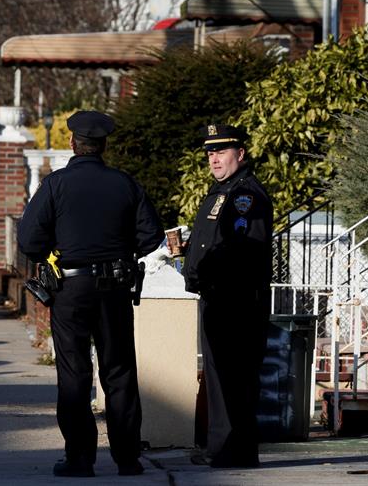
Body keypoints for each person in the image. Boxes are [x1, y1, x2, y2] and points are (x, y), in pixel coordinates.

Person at [17, 110, 163, 478]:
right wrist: (119, 251)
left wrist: (58, 248)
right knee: (119, 371)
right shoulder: (124, 184)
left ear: (72, 144)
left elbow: (29, 241)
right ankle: (127, 458)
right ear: (103, 146)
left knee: (74, 372)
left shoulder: (55, 185)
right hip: (114, 286)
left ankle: (80, 457)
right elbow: (151, 235)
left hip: (71, 286)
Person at [179, 123, 273, 468]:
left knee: (236, 377)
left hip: (236, 300)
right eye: (210, 153)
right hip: (218, 297)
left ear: (240, 154)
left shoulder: (245, 196)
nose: (214, 159)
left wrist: (213, 270)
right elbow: (216, 242)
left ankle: (234, 451)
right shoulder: (222, 192)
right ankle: (223, 449)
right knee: (221, 378)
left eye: (221, 152)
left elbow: (243, 249)